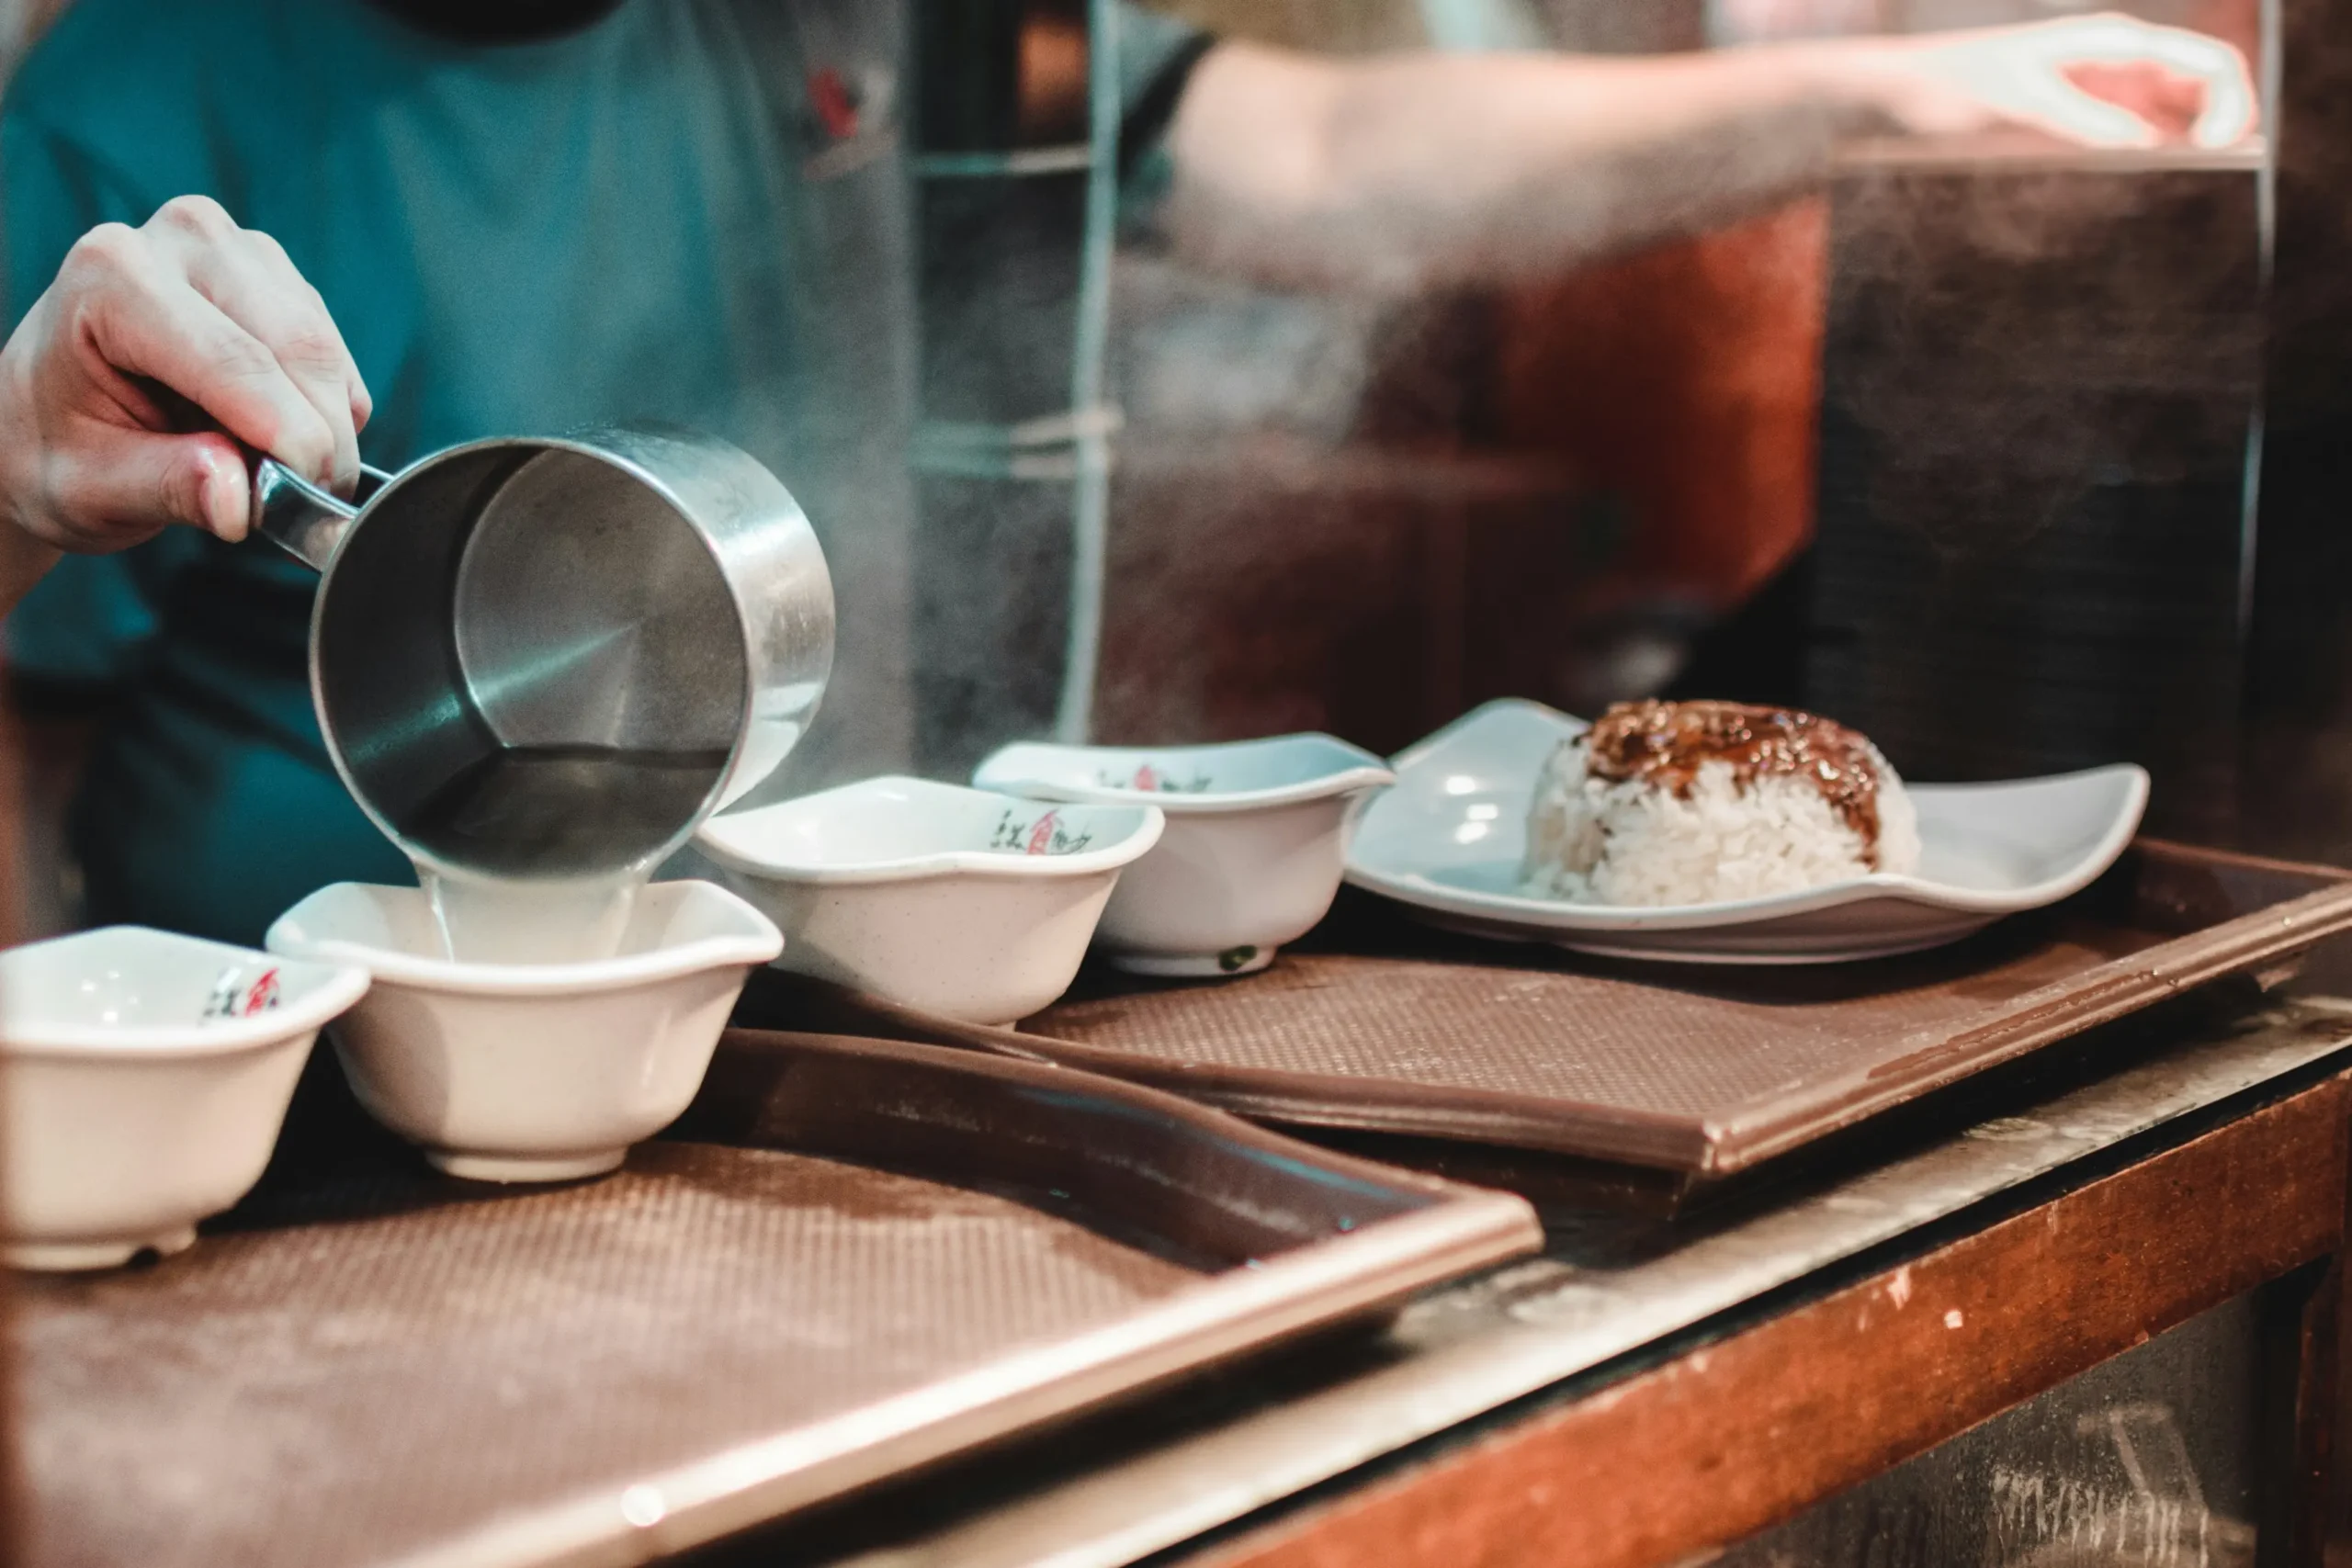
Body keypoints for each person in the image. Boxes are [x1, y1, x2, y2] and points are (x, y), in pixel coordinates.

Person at [0, 1, 2254, 944]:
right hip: (315, 1085)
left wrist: (1866, 93)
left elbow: (1326, 145)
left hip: (826, 1031)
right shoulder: (132, 117)